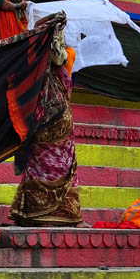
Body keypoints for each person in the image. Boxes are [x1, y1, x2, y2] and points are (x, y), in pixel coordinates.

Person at [10, 21, 82, 226]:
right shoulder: (43, 62)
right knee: (48, 168)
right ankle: (44, 215)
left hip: (55, 128)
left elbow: (57, 58)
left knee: (51, 168)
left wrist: (49, 27)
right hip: (51, 126)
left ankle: (50, 215)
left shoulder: (56, 57)